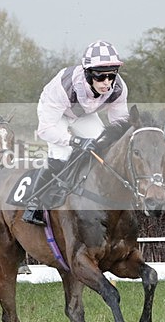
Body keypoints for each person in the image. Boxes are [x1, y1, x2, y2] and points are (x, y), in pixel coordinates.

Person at [23, 40, 129, 225]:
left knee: (100, 145)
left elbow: (121, 124)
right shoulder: (64, 88)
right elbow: (45, 130)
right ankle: (33, 202)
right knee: (62, 153)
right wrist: (75, 141)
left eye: (111, 76)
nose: (107, 83)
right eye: (100, 77)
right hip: (56, 111)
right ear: (88, 74)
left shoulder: (119, 89)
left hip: (83, 113)